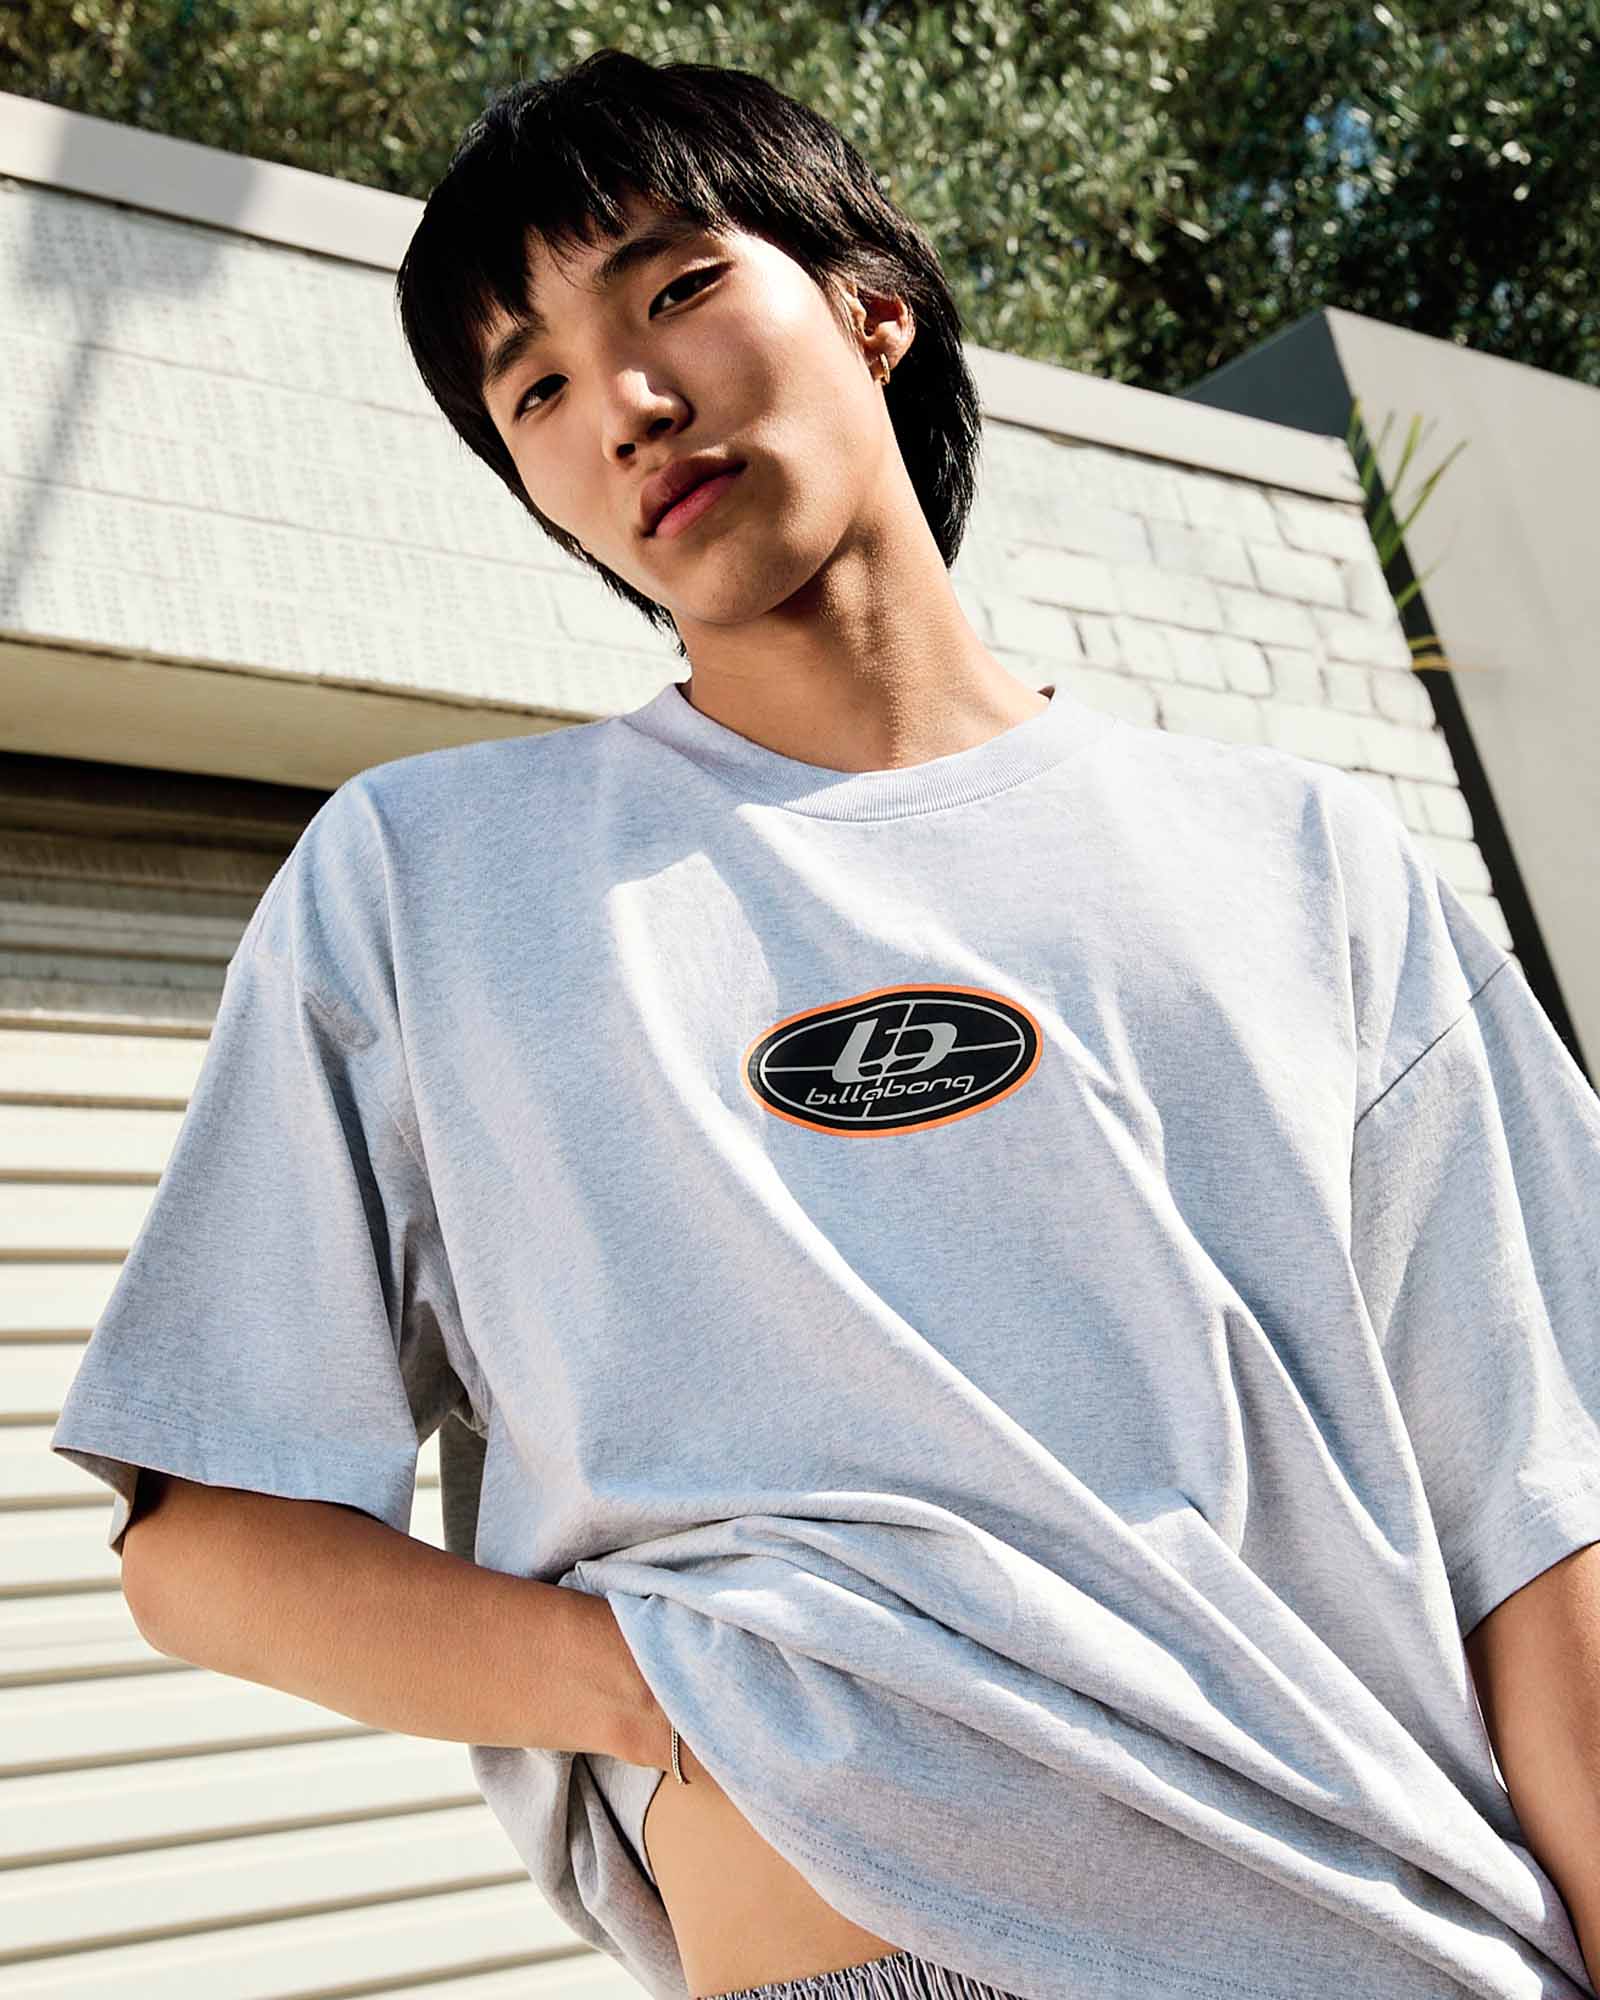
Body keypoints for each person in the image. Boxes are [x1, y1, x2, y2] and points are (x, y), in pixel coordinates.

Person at [52, 43, 1600, 2000]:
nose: (624, 403)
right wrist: (679, 1696)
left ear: (873, 307)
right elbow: (206, 1543)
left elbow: (1544, 1530)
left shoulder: (1310, 863)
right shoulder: (429, 883)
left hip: (1392, 1949)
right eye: (534, 387)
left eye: (677, 288)